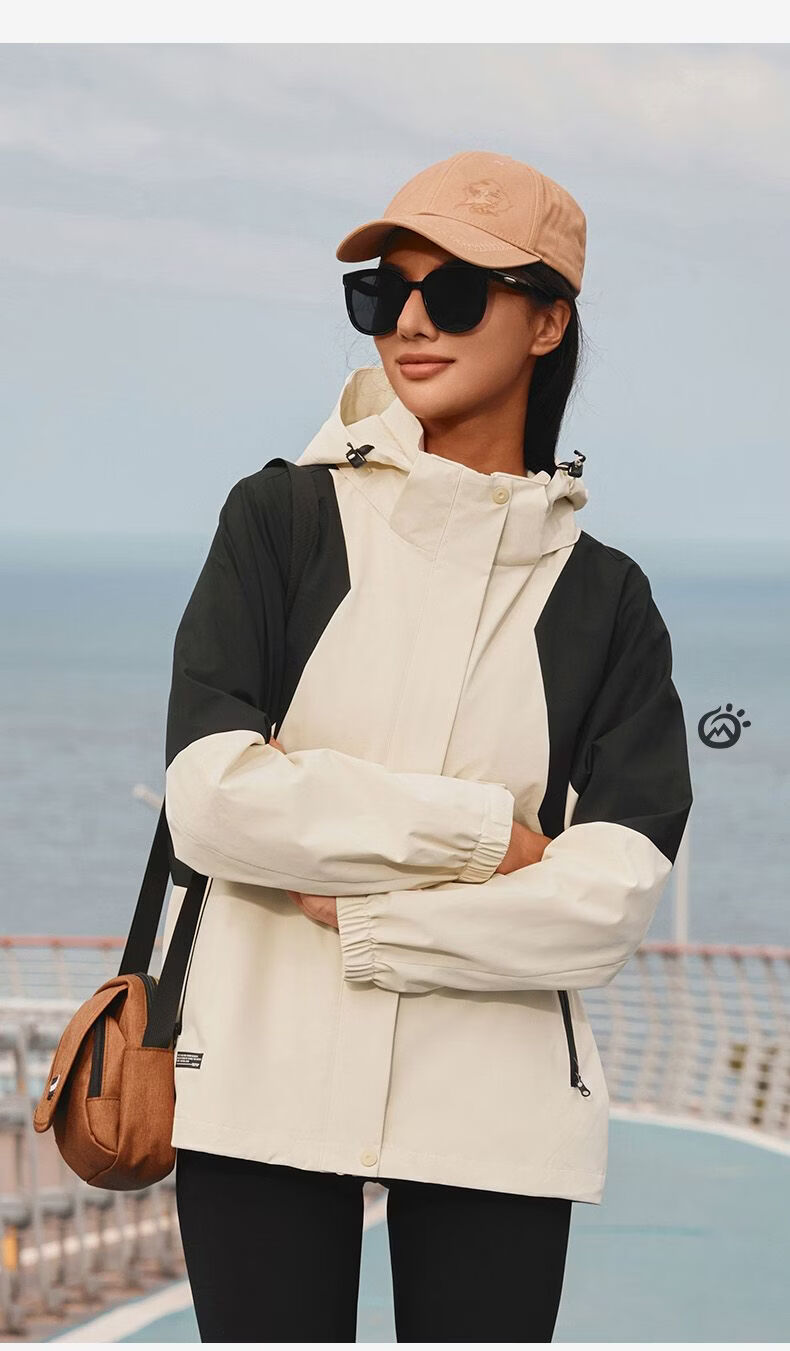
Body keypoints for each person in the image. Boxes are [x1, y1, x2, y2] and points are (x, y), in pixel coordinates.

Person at [162, 149, 693, 1342]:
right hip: (258, 1084)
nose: (408, 321)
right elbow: (213, 800)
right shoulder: (279, 520)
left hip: (496, 1107)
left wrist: (367, 920)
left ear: (548, 321)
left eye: (453, 292)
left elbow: (605, 902)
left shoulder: (604, 599)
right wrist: (485, 837)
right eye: (382, 291)